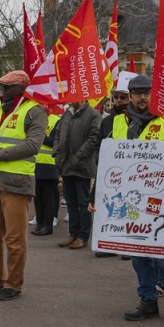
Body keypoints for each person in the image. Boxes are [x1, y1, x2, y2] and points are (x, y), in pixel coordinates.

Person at [89, 73, 164, 320]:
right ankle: (148, 299)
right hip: (127, 199)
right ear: (131, 96)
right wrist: (94, 196)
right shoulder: (112, 123)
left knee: (162, 254)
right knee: (137, 252)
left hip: (160, 198)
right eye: (137, 93)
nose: (142, 97)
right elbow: (104, 164)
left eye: (147, 93)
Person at [0, 70, 47, 301]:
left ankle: (13, 283)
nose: (2, 90)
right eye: (1, 86)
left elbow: (33, 144)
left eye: (8, 87)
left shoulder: (35, 110)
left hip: (16, 183)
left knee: (14, 238)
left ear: (22, 88)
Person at [55, 99, 101, 249]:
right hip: (66, 165)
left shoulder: (93, 114)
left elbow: (93, 138)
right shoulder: (66, 114)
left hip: (82, 166)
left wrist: (77, 157)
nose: (73, 98)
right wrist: (57, 152)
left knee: (83, 203)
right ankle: (73, 234)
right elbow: (58, 134)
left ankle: (83, 236)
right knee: (71, 201)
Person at [30, 110, 61, 236]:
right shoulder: (35, 120)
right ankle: (40, 222)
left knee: (48, 196)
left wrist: (39, 135)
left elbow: (55, 141)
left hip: (49, 163)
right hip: (35, 162)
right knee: (37, 196)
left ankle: (48, 225)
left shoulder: (56, 120)